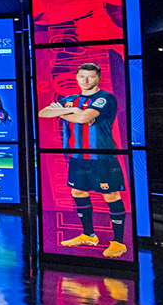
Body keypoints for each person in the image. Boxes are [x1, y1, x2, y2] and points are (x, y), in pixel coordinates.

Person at [39, 62, 127, 258]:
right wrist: (74, 112)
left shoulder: (105, 98)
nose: (86, 80)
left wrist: (65, 112)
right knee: (78, 191)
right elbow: (43, 112)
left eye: (91, 76)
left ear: (99, 78)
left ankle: (118, 243)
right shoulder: (70, 99)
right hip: (78, 156)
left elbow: (84, 118)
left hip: (101, 156)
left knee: (110, 195)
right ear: (77, 78)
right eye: (82, 76)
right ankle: (88, 235)